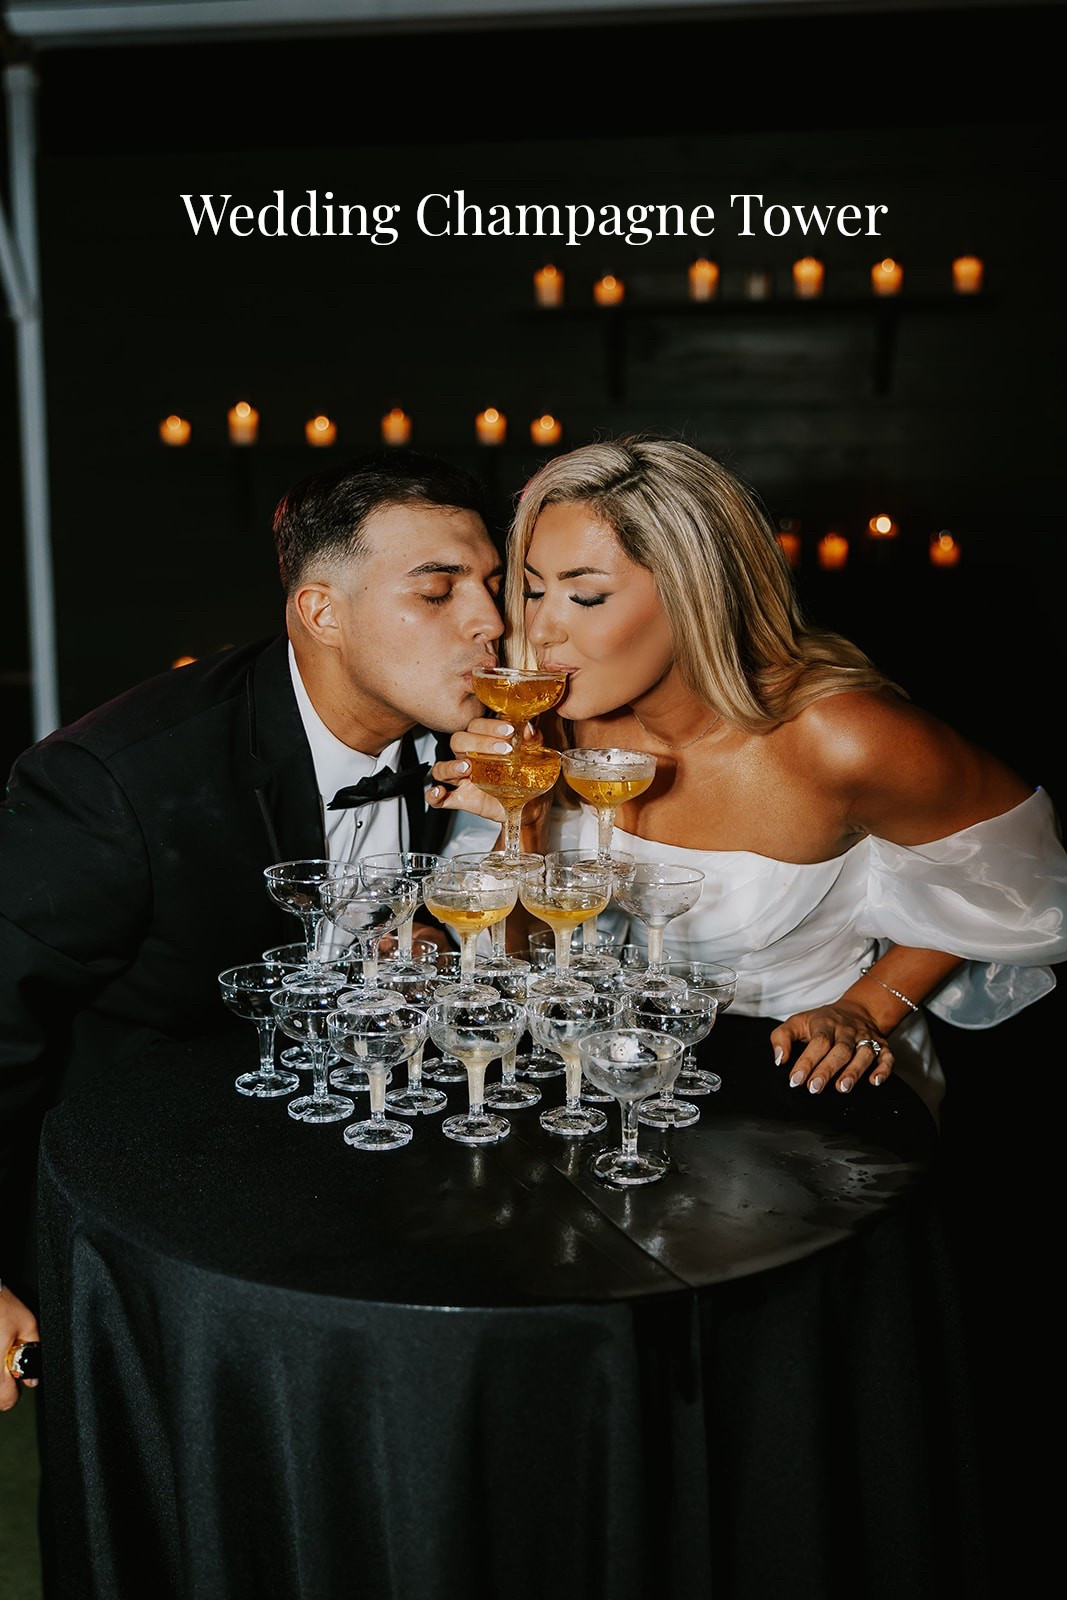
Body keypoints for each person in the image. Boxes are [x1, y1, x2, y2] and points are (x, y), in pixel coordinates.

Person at [0, 447, 504, 1409]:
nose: (490, 623)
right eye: (437, 593)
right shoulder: (116, 783)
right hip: (161, 1194)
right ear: (320, 611)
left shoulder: (489, 743)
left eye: (489, 585)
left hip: (387, 1180)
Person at [428, 433, 1067, 1111]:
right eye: (530, 590)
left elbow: (1014, 881)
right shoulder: (547, 720)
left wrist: (866, 1009)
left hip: (798, 1084)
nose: (542, 628)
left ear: (695, 593)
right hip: (605, 1076)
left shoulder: (842, 739)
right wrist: (519, 814)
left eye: (584, 598)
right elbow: (514, 955)